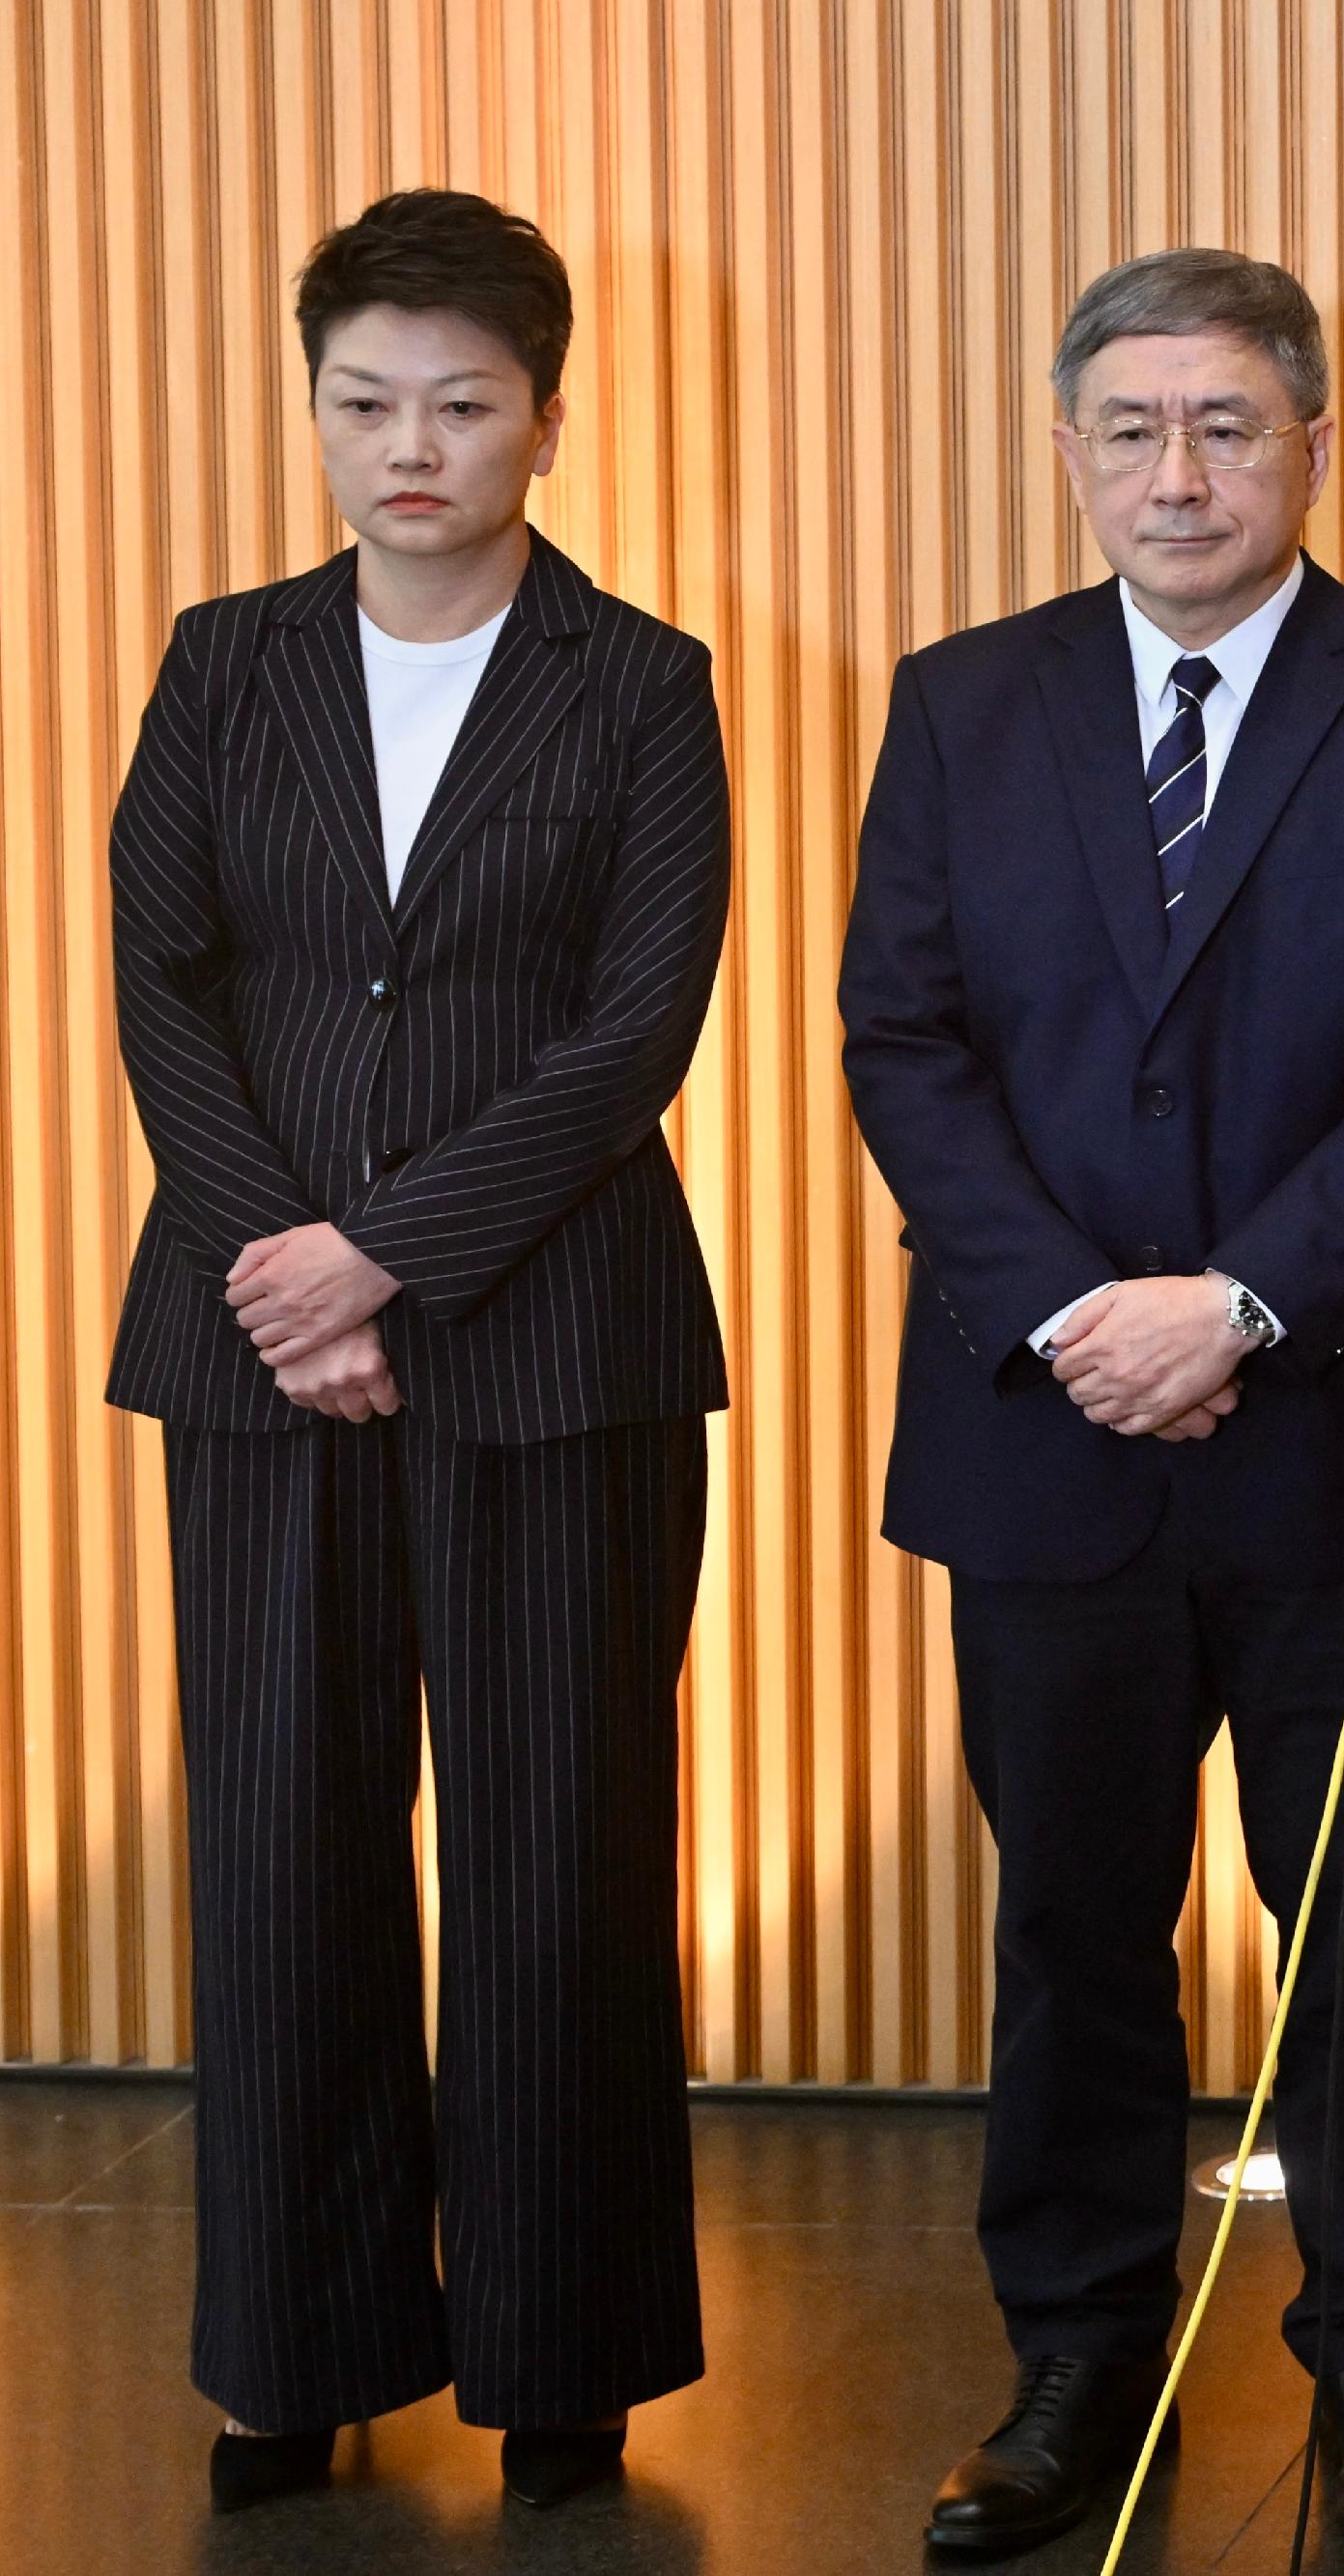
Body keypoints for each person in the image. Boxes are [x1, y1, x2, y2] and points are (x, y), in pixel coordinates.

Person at [840, 246, 1344, 2560]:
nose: (1178, 474)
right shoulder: (959, 705)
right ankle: (1071, 2356)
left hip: (1332, 1437)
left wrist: (1240, 1301)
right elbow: (900, 1041)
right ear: (1067, 451)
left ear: (1313, 450)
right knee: (1071, 1928)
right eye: (1132, 429)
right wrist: (1081, 1313)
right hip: (1044, 1425)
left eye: (1228, 427)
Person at [102, 188, 731, 2514]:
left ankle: (565, 2347)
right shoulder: (223, 661)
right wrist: (287, 1267)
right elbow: (164, 982)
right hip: (252, 1345)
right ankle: (297, 2348)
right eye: (364, 402)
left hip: (559, 1350)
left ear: (546, 422)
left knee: (563, 1852)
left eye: (462, 404)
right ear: (315, 413)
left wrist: (385, 1257)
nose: (410, 446)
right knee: (283, 1850)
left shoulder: (641, 682)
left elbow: (630, 1033)